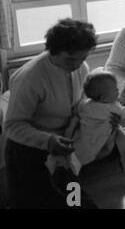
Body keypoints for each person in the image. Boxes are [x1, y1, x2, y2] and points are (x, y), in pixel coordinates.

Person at [4, 18, 99, 208]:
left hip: (61, 147)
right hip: (28, 150)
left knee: (76, 202)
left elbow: (77, 103)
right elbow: (12, 126)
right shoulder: (31, 77)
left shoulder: (80, 67)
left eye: (83, 58)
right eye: (71, 59)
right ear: (52, 50)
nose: (78, 64)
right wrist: (47, 140)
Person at [71, 70, 125, 167]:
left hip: (83, 135)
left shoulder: (84, 104)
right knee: (119, 140)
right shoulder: (111, 108)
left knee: (81, 147)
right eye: (115, 89)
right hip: (98, 138)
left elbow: (77, 113)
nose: (118, 90)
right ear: (103, 98)